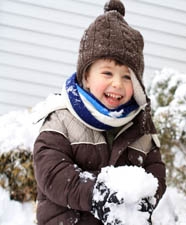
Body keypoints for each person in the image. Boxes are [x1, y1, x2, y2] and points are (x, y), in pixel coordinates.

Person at [33, 0, 166, 224]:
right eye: (107, 73)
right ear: (86, 76)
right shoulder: (63, 117)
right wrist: (96, 193)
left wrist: (146, 196)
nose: (117, 84)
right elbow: (51, 171)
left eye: (127, 76)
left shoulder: (139, 125)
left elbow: (155, 170)